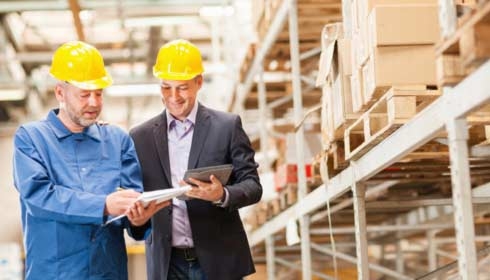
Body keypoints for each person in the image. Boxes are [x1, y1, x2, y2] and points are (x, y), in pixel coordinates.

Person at [12, 41, 167, 280]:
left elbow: (131, 210)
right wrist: (103, 205)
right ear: (60, 92)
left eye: (99, 93)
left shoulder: (118, 140)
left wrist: (138, 218)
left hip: (108, 273)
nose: (94, 103)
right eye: (84, 94)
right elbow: (39, 197)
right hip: (54, 274)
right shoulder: (31, 138)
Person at [129, 39, 263, 280]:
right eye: (165, 88)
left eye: (181, 87)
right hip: (168, 264)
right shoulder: (140, 137)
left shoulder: (226, 127)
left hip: (218, 259)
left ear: (199, 82)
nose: (173, 97)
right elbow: (134, 199)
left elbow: (253, 186)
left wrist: (221, 194)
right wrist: (137, 220)